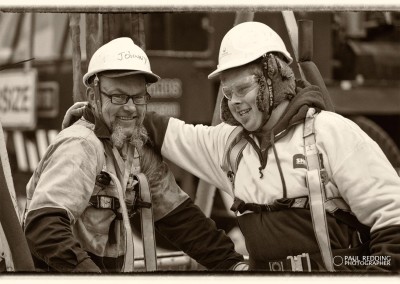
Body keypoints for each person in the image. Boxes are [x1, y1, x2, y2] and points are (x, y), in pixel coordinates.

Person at [64, 23, 400, 272]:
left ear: (275, 77)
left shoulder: (330, 134)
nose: (235, 103)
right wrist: (97, 111)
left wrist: (369, 271)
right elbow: (163, 129)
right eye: (228, 93)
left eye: (242, 89)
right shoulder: (230, 145)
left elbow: (394, 224)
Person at [23, 37, 246, 273]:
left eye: (138, 97)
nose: (130, 107)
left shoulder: (134, 149)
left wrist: (233, 264)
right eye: (118, 97)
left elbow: (180, 219)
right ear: (92, 97)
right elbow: (43, 227)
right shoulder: (82, 145)